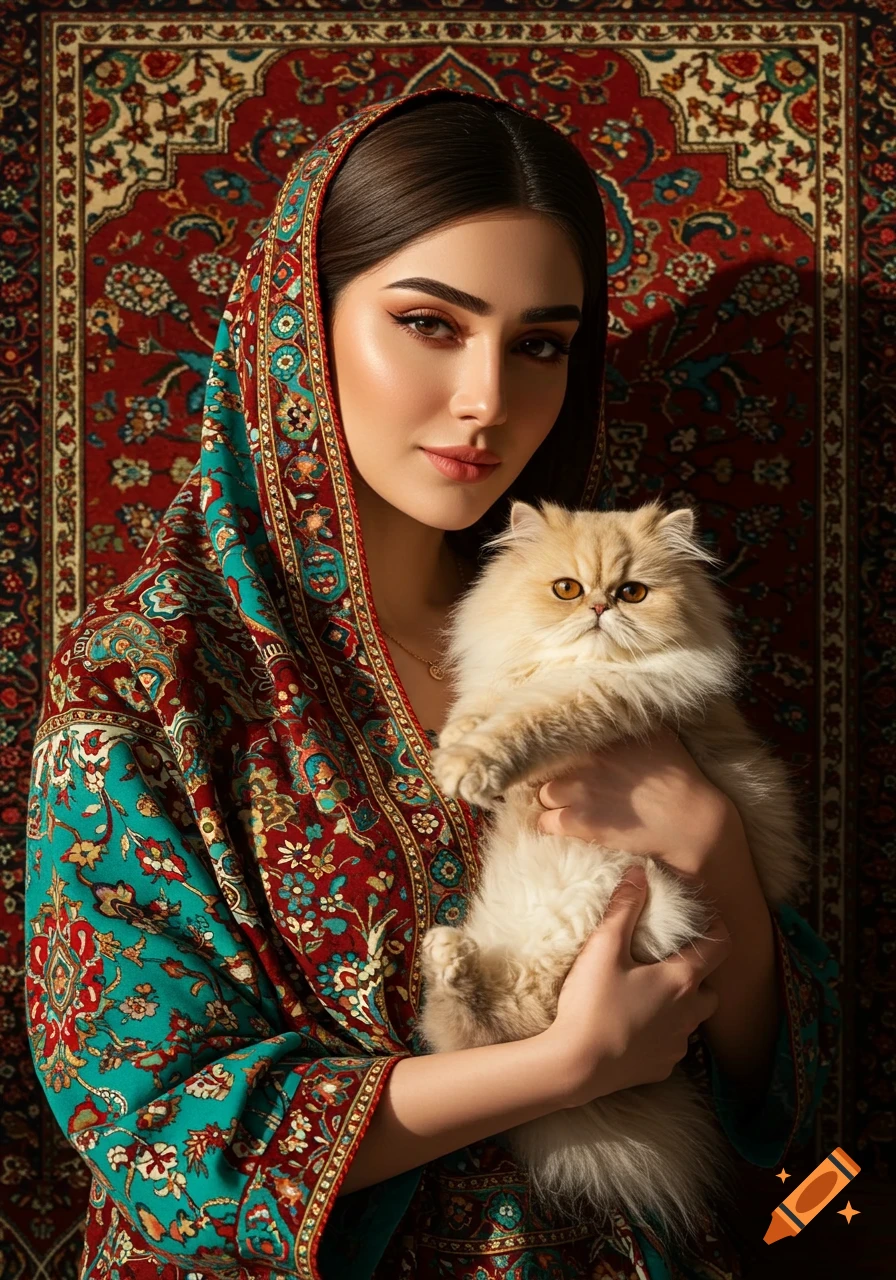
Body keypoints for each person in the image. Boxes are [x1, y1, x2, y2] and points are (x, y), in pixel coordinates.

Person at [25, 87, 840, 1280]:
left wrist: (712, 842)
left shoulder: (602, 633)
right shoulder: (150, 680)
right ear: (297, 328)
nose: (487, 401)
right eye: (427, 323)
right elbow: (149, 1128)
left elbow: (800, 1119)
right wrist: (559, 1065)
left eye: (540, 344)